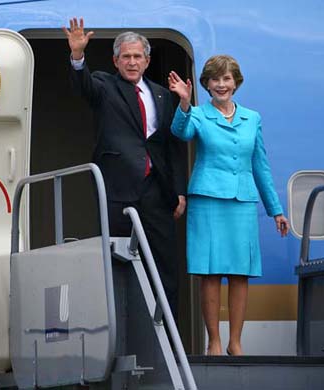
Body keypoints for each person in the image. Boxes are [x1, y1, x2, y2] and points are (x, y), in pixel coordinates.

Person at [63, 18, 187, 318]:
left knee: (164, 266)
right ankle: (121, 337)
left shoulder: (160, 94)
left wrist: (180, 191)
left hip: (157, 191)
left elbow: (171, 145)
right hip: (118, 189)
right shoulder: (105, 85)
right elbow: (84, 86)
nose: (132, 62)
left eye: (138, 57)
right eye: (126, 57)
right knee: (118, 264)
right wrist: (78, 56)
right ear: (116, 61)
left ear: (147, 61)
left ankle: (167, 336)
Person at [168, 55, 290, 356]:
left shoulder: (252, 118)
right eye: (215, 79)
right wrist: (184, 103)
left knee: (240, 272)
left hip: (242, 202)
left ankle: (235, 342)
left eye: (227, 78)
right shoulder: (197, 114)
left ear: (236, 82)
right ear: (206, 84)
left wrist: (276, 209)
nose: (221, 84)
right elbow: (179, 133)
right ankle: (214, 341)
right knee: (210, 272)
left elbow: (260, 166)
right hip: (208, 201)